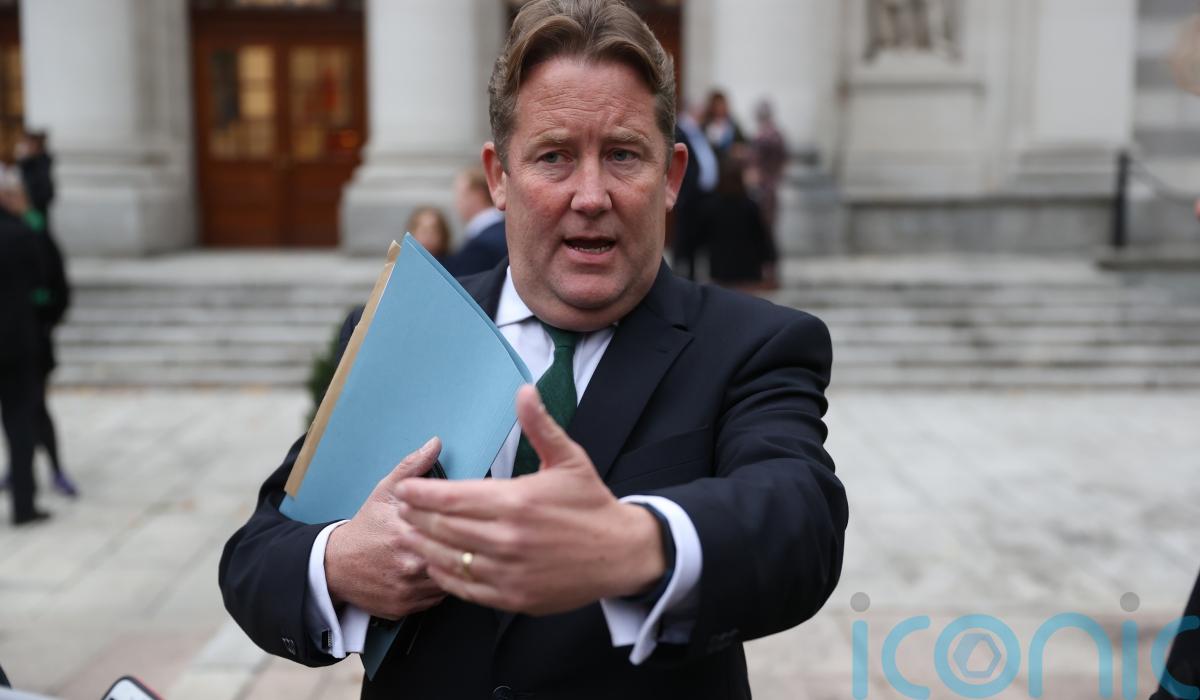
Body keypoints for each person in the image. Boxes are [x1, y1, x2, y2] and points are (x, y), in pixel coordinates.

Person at [219, 1, 846, 698]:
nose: (591, 195)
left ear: (671, 177)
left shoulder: (754, 345)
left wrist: (632, 544)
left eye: (623, 155)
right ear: (498, 176)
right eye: (554, 157)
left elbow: (801, 525)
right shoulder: (406, 328)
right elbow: (257, 557)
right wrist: (342, 563)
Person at [16, 130, 76, 498]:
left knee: (35, 407)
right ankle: (20, 471)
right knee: (18, 412)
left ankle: (52, 469)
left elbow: (58, 288)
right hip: (19, 340)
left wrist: (45, 320)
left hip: (32, 340)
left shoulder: (35, 234)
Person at [0, 176, 50, 526]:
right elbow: (45, 281)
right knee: (20, 424)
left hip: (16, 344)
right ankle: (23, 504)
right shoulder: (22, 233)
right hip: (17, 345)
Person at [699, 157, 777, 289]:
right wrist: (770, 260)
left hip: (721, 269)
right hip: (748, 269)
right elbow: (762, 238)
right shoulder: (749, 206)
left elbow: (701, 237)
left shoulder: (711, 206)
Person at [441, 167, 507, 276]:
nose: (456, 202)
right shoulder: (503, 230)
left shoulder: (482, 245)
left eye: (460, 194)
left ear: (478, 195)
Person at [702, 89, 744, 156]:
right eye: (717, 105)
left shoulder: (732, 124)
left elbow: (742, 141)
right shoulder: (705, 125)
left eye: (721, 104)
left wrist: (738, 148)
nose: (719, 108)